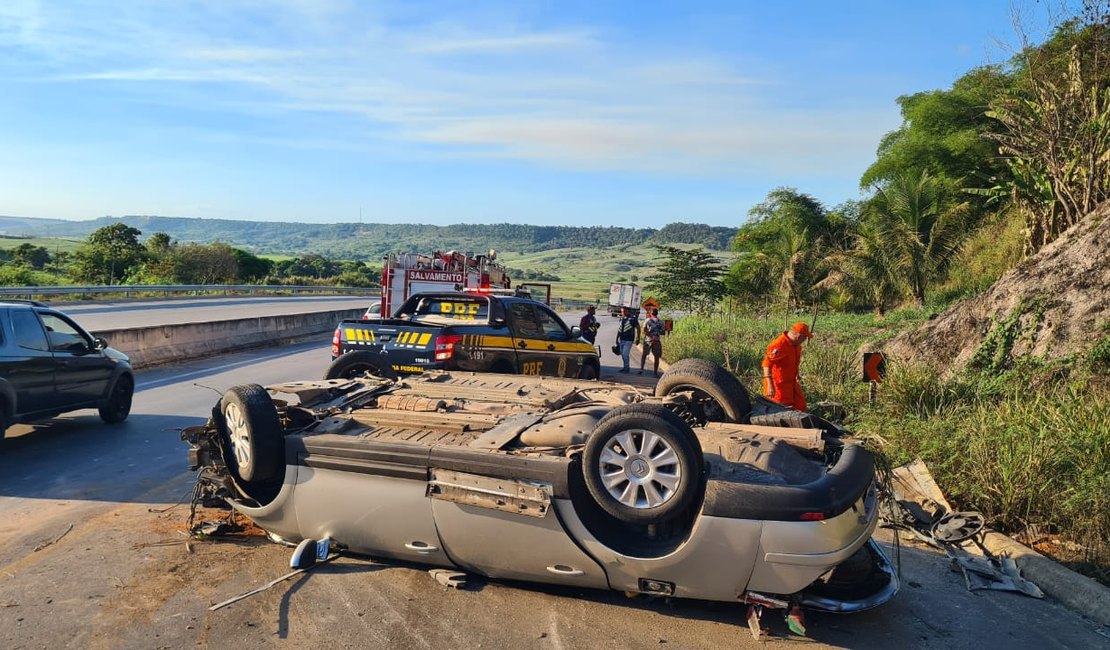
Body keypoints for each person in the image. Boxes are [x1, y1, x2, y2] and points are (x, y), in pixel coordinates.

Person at [761, 321, 812, 411]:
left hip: (791, 383)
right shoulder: (779, 345)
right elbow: (766, 364)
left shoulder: (796, 345)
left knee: (800, 405)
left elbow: (794, 362)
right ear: (798, 336)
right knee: (779, 410)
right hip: (777, 385)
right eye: (805, 338)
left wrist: (797, 374)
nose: (805, 340)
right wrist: (770, 385)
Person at [639, 309, 664, 376]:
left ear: (651, 313)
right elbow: (662, 332)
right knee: (656, 357)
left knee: (644, 355)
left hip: (648, 340)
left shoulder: (648, 320)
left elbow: (643, 330)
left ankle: (641, 369)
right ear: (657, 314)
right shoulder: (660, 322)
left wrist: (650, 335)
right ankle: (655, 372)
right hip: (656, 340)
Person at [615, 306, 640, 373]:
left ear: (628, 311)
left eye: (624, 311)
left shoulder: (632, 319)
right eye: (622, 311)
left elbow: (638, 328)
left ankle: (626, 369)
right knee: (623, 354)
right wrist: (617, 338)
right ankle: (625, 367)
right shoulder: (621, 319)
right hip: (622, 339)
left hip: (629, 340)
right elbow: (619, 329)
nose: (623, 313)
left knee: (625, 353)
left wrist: (638, 337)